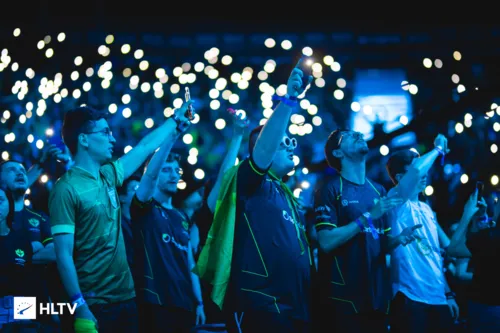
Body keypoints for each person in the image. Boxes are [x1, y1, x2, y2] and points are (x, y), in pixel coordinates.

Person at [49, 101, 193, 333]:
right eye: (105, 132)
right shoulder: (65, 189)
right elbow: (63, 254)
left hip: (127, 297)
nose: (113, 139)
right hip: (94, 303)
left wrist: (174, 121)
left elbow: (144, 147)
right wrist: (79, 305)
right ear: (84, 139)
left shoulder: (108, 174)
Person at [196, 59, 313, 333]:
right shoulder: (250, 182)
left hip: (297, 306)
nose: (289, 145)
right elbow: (263, 150)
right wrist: (288, 100)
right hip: (261, 304)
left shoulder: (288, 196)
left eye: (289, 140)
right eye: (282, 141)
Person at [313, 129, 411, 333]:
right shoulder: (330, 189)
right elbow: (326, 241)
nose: (357, 134)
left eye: (356, 133)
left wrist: (397, 239)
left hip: (377, 298)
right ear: (338, 153)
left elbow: (378, 240)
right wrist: (367, 217)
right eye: (347, 136)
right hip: (343, 301)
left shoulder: (379, 190)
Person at [130, 106, 205, 333]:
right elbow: (150, 174)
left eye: (177, 171)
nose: (175, 174)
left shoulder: (181, 217)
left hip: (185, 304)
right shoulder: (145, 208)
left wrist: (199, 302)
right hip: (155, 302)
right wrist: (173, 135)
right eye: (167, 170)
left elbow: (189, 263)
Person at [385, 138, 459, 333]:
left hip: (438, 297)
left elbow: (440, 252)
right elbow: (418, 170)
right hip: (410, 297)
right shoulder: (395, 201)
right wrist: (437, 149)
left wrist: (448, 293)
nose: (423, 171)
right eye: (416, 167)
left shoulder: (426, 209)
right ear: (401, 177)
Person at [448, 190, 500, 332]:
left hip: (486, 308)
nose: (494, 205)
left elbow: (453, 248)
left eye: (497, 203)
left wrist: (467, 214)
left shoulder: (490, 237)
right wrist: (482, 217)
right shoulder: (490, 236)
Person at [0, 186, 41, 331]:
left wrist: (25, 318)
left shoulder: (21, 238)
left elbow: (28, 282)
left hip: (19, 315)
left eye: (0, 200)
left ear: (9, 205)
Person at [118, 176, 141, 268]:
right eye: (135, 189)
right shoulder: (118, 226)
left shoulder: (145, 224)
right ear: (122, 197)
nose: (140, 192)